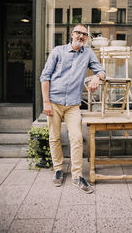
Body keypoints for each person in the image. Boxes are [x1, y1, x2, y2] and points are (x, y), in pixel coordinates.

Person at [40, 24, 106, 193]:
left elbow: (102, 71)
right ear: (72, 34)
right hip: (54, 101)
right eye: (78, 33)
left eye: (85, 34)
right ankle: (58, 170)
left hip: (73, 105)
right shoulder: (58, 51)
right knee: (54, 137)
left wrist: (97, 77)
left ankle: (77, 175)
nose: (81, 37)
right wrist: (46, 102)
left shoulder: (88, 53)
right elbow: (45, 77)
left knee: (76, 138)